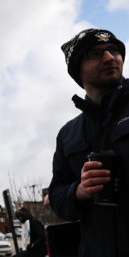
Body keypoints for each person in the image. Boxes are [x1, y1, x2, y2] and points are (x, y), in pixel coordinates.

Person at [48, 28, 129, 256]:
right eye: (95, 53)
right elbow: (56, 196)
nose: (110, 57)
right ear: (77, 70)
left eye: (114, 50)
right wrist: (80, 191)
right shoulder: (68, 134)